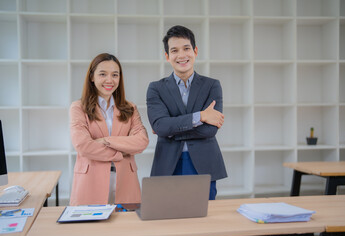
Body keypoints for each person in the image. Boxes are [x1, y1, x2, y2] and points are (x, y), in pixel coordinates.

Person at [146, 25, 227, 200]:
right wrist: (201, 117)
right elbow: (160, 126)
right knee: (169, 221)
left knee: (203, 222)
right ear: (167, 56)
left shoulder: (212, 85)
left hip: (203, 165)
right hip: (168, 165)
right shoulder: (156, 88)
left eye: (186, 48)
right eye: (174, 50)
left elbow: (209, 130)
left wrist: (171, 128)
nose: (181, 55)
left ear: (195, 51)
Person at [69, 53, 149, 206]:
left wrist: (106, 141)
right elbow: (83, 145)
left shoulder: (130, 108)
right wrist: (121, 151)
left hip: (126, 182)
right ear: (92, 77)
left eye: (115, 75)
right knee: (93, 228)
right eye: (103, 74)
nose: (109, 80)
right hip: (90, 182)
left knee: (126, 228)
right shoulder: (78, 108)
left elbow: (142, 141)